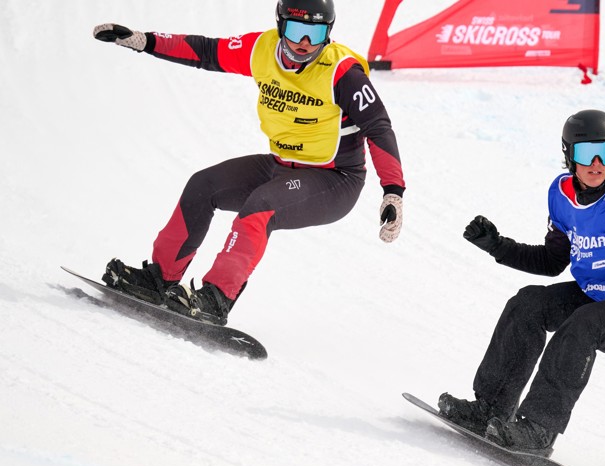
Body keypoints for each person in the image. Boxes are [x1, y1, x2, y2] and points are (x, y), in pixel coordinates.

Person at [92, 0, 405, 325]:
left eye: (316, 34)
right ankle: (160, 279)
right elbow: (206, 51)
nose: (305, 43)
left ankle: (216, 298)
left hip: (335, 179)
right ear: (281, 26)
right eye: (297, 31)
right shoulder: (262, 49)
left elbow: (378, 127)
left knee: (260, 206)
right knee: (203, 186)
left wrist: (393, 191)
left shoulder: (343, 72)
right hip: (281, 164)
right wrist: (145, 41)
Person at [438, 109, 605, 457]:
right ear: (568, 155)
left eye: (604, 153)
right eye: (584, 153)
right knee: (528, 303)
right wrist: (497, 246)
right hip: (604, 292)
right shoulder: (561, 196)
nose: (595, 164)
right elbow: (552, 262)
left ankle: (538, 430)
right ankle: (490, 410)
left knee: (584, 324)